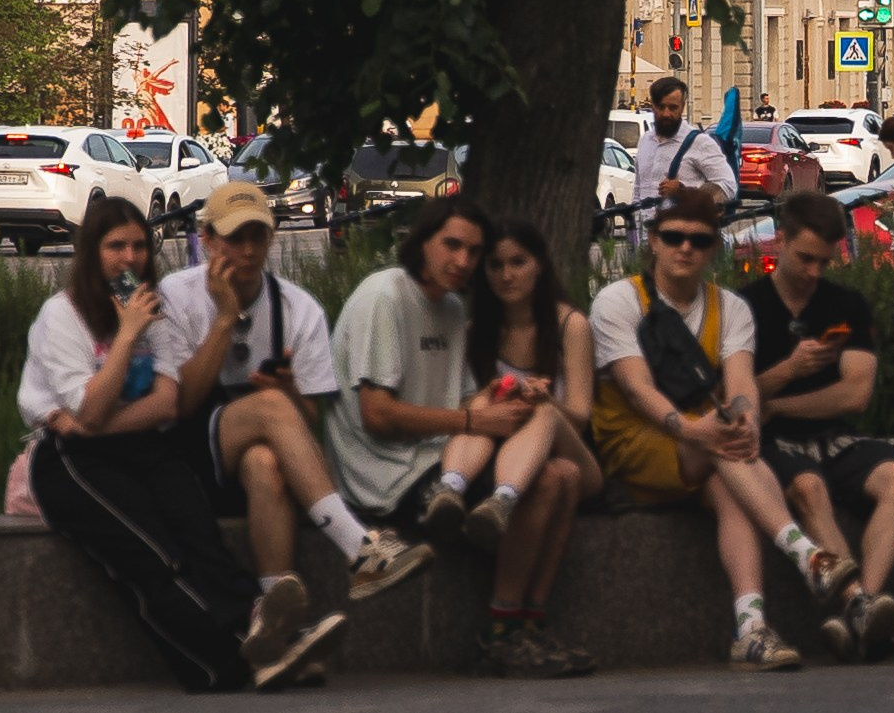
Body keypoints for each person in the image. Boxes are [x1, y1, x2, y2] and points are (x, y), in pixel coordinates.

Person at [21, 195, 347, 690]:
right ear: (90, 252)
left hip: (135, 445)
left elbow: (168, 403)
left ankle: (268, 637)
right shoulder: (62, 314)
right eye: (115, 247)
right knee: (157, 556)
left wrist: (97, 420)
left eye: (138, 247)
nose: (129, 259)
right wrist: (127, 337)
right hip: (72, 462)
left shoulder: (155, 309)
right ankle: (225, 666)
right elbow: (88, 406)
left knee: (202, 539)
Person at [326, 195, 590, 678]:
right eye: (452, 246)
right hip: (389, 474)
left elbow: (468, 403)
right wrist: (473, 422)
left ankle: (526, 626)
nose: (463, 261)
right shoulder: (385, 295)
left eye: (473, 251)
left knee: (566, 471)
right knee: (551, 479)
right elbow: (377, 414)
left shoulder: (449, 308)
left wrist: (502, 396)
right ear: (422, 241)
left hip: (438, 455)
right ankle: (502, 632)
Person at [155, 182, 433, 641]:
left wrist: (289, 393)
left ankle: (275, 622)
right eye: (233, 238)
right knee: (267, 406)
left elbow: (307, 422)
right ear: (206, 238)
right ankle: (357, 547)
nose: (246, 250)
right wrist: (224, 320)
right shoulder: (177, 295)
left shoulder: (298, 308)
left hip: (247, 463)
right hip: (181, 455)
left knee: (267, 460)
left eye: (257, 237)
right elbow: (179, 405)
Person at [588, 193, 851, 671]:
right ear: (652, 241)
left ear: (713, 248)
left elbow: (740, 380)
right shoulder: (618, 300)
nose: (684, 248)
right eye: (673, 237)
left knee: (730, 471)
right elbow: (636, 386)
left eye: (699, 240)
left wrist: (745, 414)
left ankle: (750, 628)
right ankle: (806, 555)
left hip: (703, 446)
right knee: (724, 450)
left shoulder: (730, 307)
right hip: (632, 445)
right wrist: (693, 430)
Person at [741, 191, 894, 663]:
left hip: (833, 435)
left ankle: (860, 608)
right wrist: (789, 372)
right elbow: (736, 399)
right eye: (805, 259)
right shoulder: (745, 307)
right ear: (779, 241)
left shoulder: (846, 304)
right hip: (776, 444)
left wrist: (779, 404)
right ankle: (860, 607)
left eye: (825, 261)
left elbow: (855, 394)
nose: (815, 272)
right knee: (809, 489)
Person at [436, 220, 604, 550]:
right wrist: (493, 393)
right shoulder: (476, 330)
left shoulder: (570, 325)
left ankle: (503, 501)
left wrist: (546, 399)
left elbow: (581, 420)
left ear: (539, 265)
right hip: (504, 453)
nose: (506, 275)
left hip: (575, 458)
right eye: (495, 265)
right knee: (482, 405)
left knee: (543, 412)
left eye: (518, 262)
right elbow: (464, 410)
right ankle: (448, 491)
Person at [633, 76, 740, 223]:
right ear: (652, 106)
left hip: (682, 237)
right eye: (661, 106)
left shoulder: (699, 142)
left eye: (673, 108)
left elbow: (729, 186)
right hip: (645, 237)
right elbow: (638, 190)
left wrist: (684, 192)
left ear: (682, 107)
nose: (666, 113)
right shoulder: (645, 141)